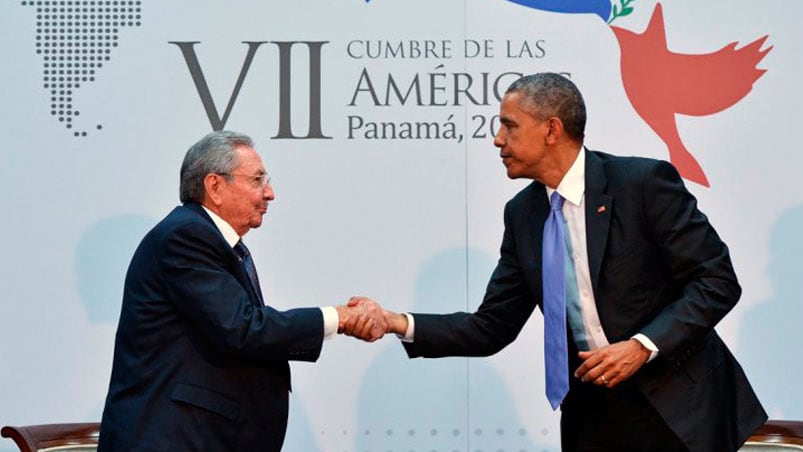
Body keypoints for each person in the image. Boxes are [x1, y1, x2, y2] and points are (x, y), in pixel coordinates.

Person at [377, 73, 767, 451]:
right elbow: (491, 327)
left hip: (682, 409)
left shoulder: (642, 183)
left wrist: (641, 346)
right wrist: (397, 322)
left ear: (551, 129)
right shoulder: (523, 214)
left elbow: (716, 281)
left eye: (509, 126)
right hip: (594, 418)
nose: (497, 140)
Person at [98, 131, 385, 451]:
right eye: (258, 180)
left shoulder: (213, 241)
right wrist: (339, 318)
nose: (270, 193)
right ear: (215, 186)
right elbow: (242, 328)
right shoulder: (186, 236)